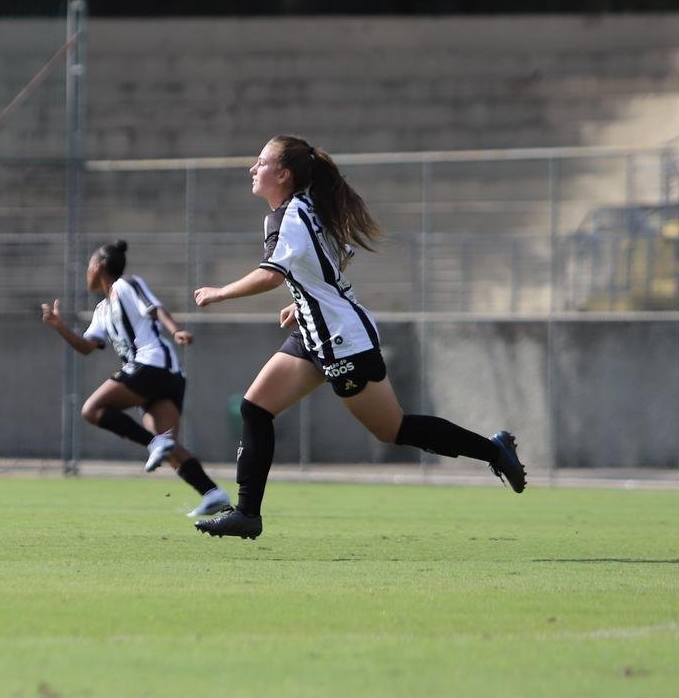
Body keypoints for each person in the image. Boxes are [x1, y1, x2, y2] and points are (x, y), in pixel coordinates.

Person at [191, 135, 526, 539]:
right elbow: (336, 259)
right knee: (255, 409)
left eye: (260, 162)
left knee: (392, 429)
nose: (252, 168)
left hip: (341, 339)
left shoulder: (291, 216)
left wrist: (219, 292)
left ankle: (495, 451)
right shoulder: (299, 210)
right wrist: (306, 299)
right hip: (316, 335)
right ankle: (246, 513)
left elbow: (271, 274)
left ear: (283, 174)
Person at [42, 239, 231, 517]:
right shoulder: (102, 310)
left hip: (153, 362)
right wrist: (59, 327)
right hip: (161, 376)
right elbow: (86, 347)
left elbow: (155, 308)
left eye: (88, 267)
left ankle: (156, 444)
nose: (86, 273)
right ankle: (213, 493)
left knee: (92, 410)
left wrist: (176, 330)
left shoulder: (125, 285)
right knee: (168, 445)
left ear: (98, 266)